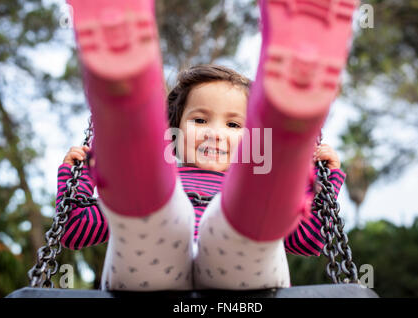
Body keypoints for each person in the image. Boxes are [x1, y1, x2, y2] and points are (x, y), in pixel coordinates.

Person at [59, 0, 357, 291]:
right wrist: (80, 175)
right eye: (200, 120)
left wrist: (323, 181)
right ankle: (127, 103)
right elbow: (74, 231)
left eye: (233, 125)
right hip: (154, 278)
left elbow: (309, 239)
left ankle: (285, 125)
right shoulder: (168, 182)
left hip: (243, 277)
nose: (215, 133)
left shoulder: (250, 179)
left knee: (245, 212)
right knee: (151, 217)